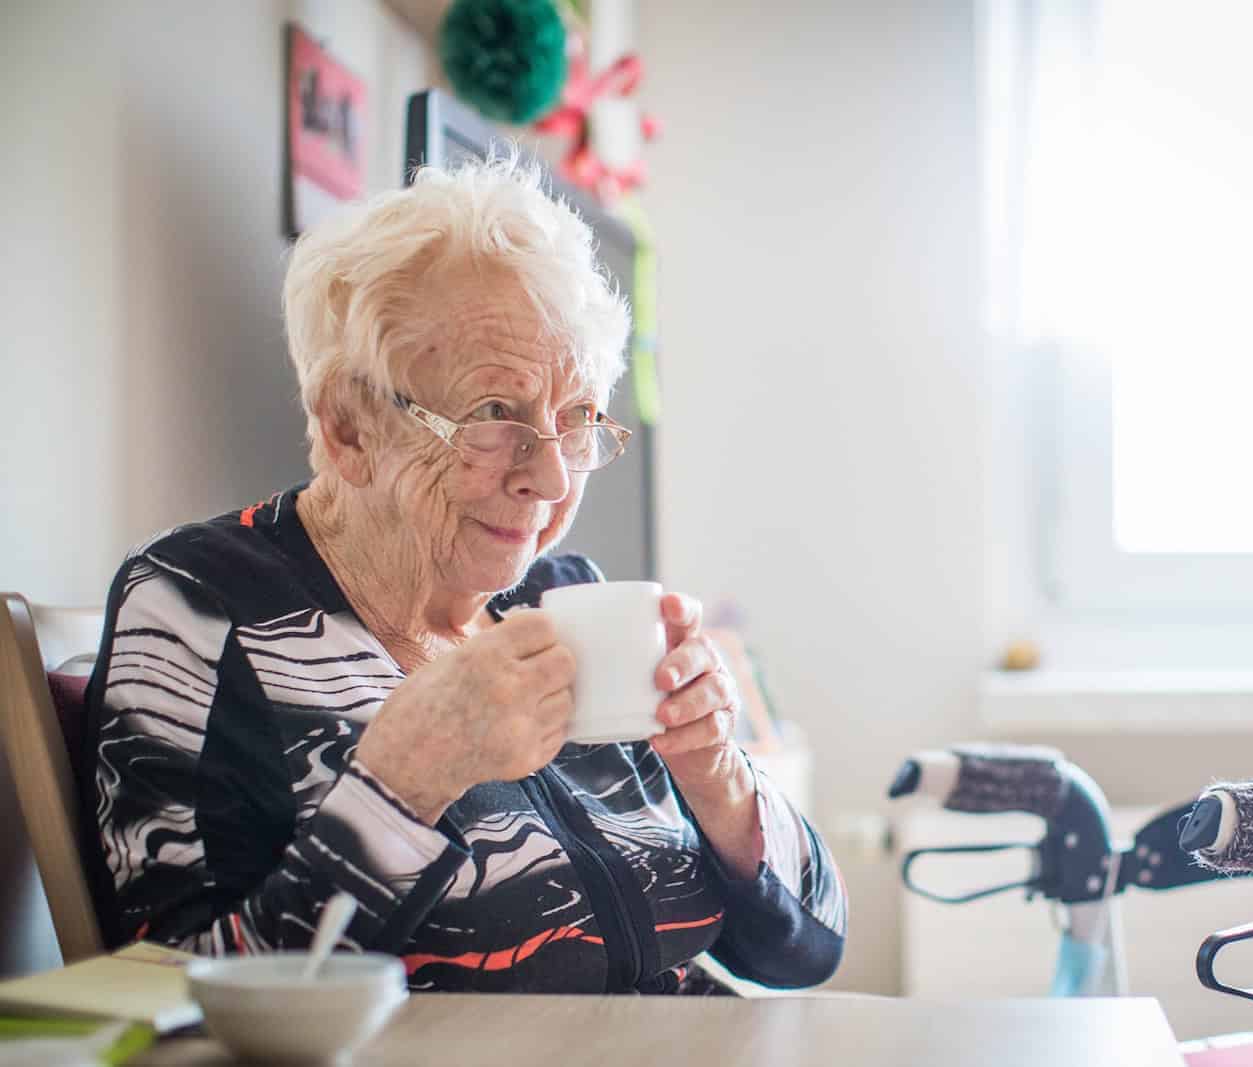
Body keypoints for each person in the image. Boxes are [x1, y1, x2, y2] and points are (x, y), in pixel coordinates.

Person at [80, 156, 846, 994]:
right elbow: (167, 993)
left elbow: (808, 949)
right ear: (348, 428)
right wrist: (405, 781)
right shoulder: (203, 605)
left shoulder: (565, 599)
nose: (551, 478)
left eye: (577, 418)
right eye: (493, 415)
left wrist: (715, 772)